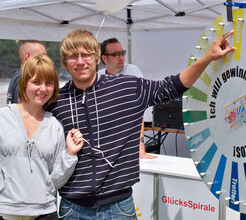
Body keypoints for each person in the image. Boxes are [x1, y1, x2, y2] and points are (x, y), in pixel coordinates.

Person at [45, 28, 234, 219]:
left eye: (86, 55)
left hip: (117, 208)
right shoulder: (55, 100)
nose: (79, 61)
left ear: (96, 58)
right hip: (72, 209)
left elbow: (171, 87)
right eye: (72, 56)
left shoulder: (127, 88)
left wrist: (208, 57)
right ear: (64, 63)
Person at [0, 54, 84, 220]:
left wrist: (70, 154)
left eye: (49, 83)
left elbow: (56, 179)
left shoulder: (55, 126)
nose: (43, 89)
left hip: (45, 212)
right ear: (24, 83)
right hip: (6, 211)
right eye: (36, 82)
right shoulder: (3, 118)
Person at [99, 37, 156, 159]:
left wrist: (141, 147)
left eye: (122, 53)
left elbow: (136, 111)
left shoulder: (132, 72)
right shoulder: (98, 77)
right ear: (104, 58)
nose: (121, 57)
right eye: (116, 54)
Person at [6, 40, 46, 104]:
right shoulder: (22, 77)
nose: (45, 59)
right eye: (42, 55)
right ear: (28, 56)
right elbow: (22, 109)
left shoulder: (18, 76)